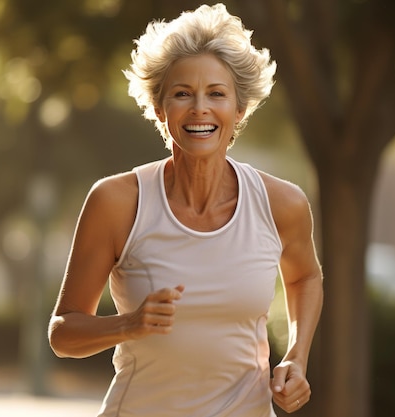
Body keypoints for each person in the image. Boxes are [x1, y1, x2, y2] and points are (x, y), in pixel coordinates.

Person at [48, 3, 323, 416]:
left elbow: (305, 276)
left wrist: (296, 359)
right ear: (159, 109)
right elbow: (62, 333)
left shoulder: (281, 204)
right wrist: (129, 325)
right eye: (182, 94)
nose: (199, 109)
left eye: (216, 94)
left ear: (239, 109)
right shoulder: (117, 202)